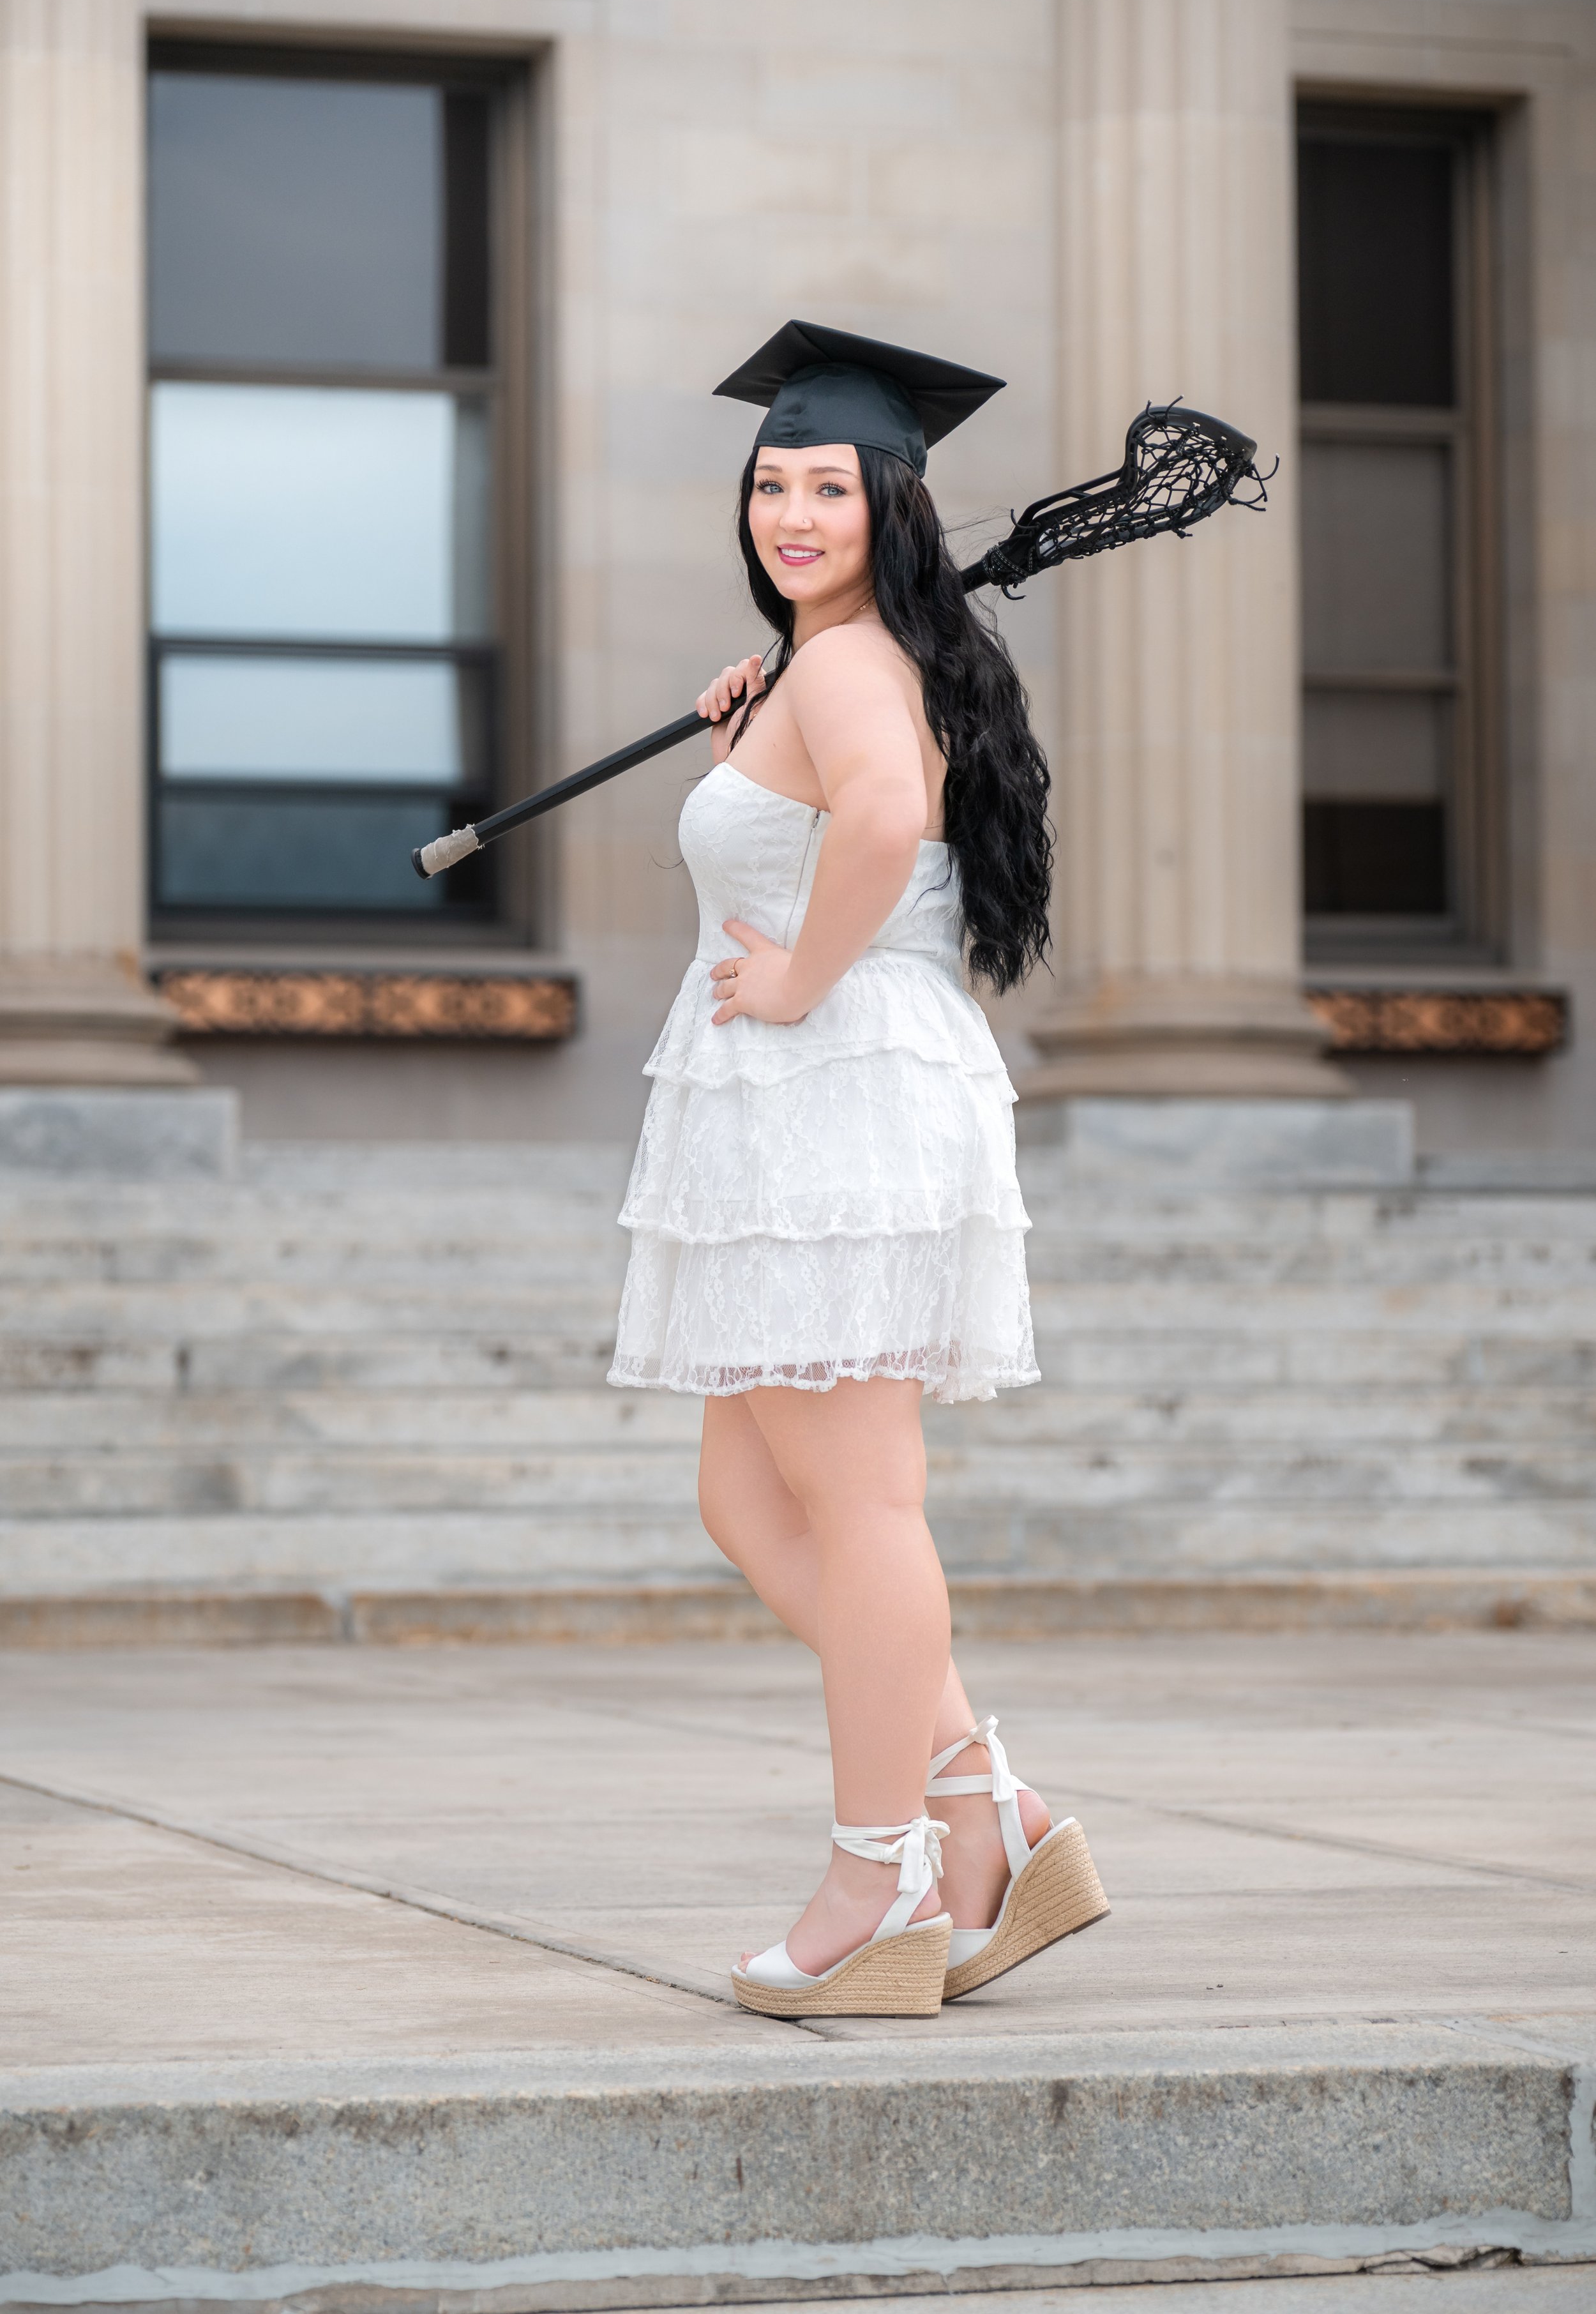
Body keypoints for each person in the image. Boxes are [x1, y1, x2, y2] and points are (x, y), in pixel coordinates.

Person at [608, 321, 1108, 2016]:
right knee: (749, 1498)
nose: (793, 513)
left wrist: (797, 981)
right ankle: (984, 1807)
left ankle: (879, 1871)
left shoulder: (842, 670)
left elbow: (886, 818)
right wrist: (751, 749)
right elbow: (843, 809)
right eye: (772, 485)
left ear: (892, 505)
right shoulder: (839, 661)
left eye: (830, 487)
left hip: (833, 1094)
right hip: (819, 1102)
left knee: (856, 1497)